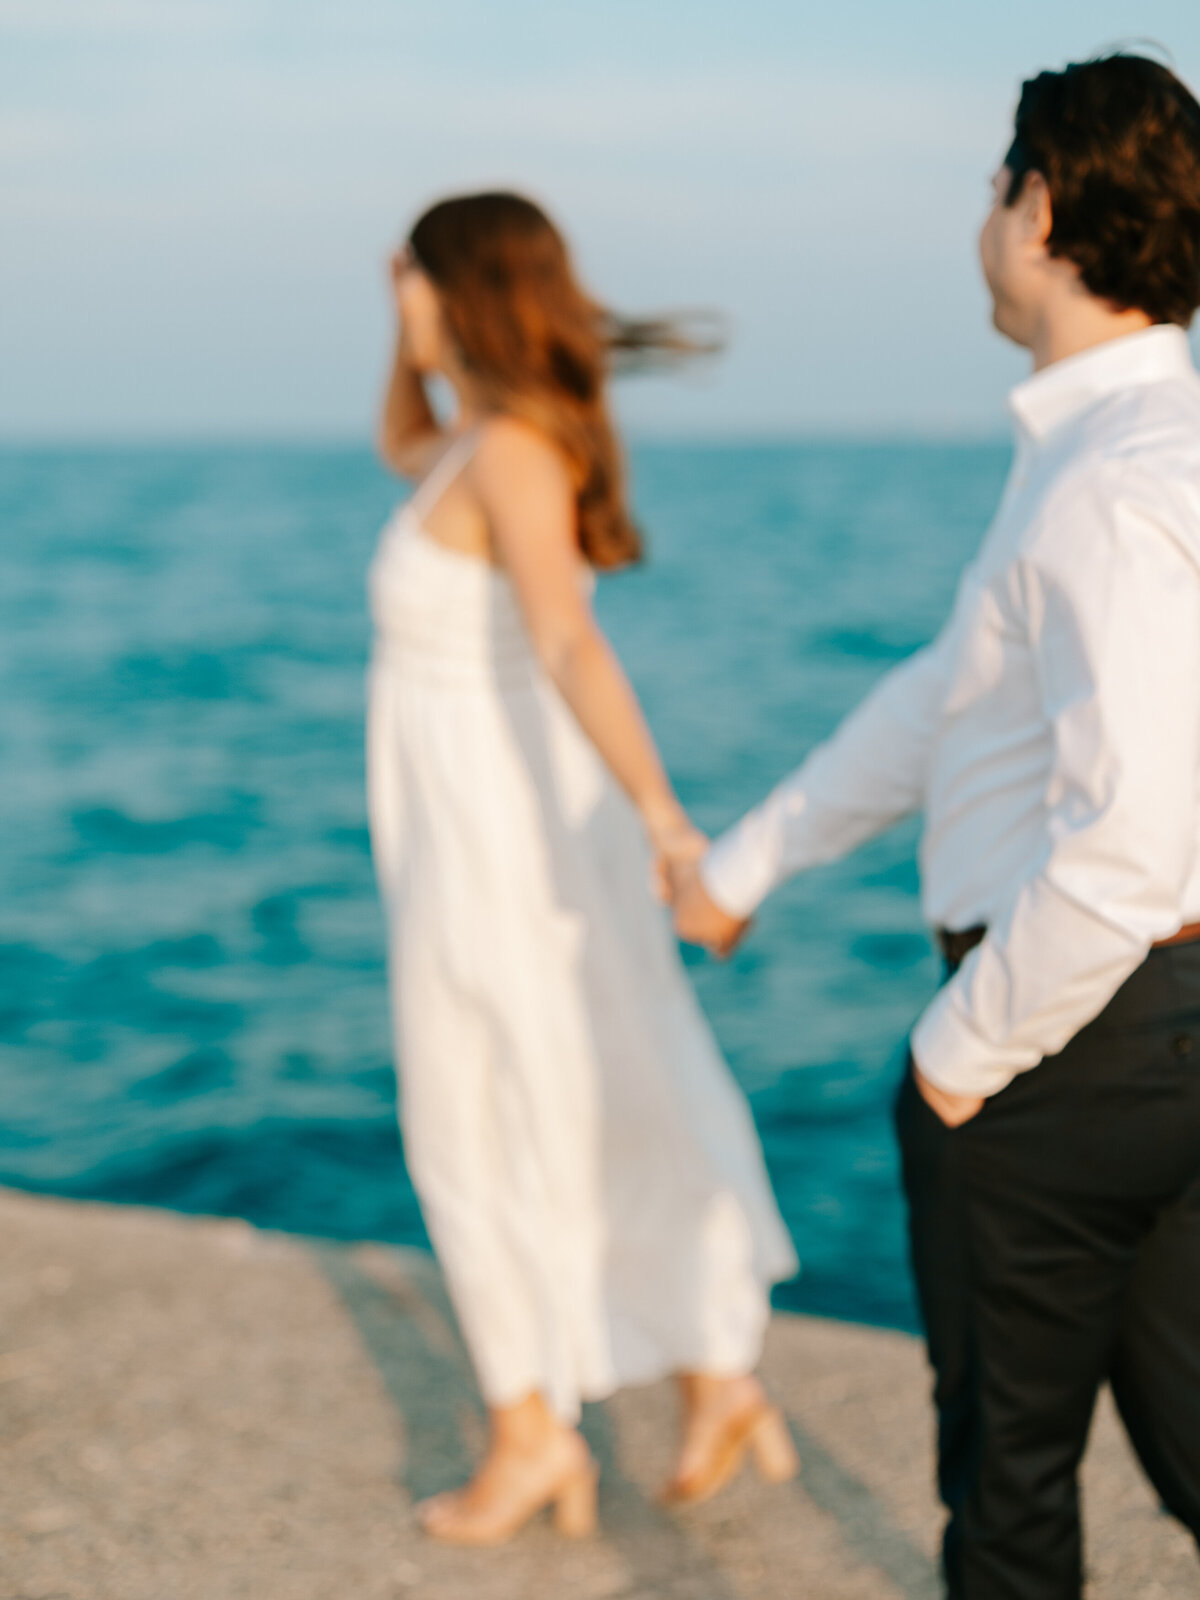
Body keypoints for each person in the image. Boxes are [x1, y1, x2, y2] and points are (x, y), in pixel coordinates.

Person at [667, 52, 1200, 1600]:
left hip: (1070, 1035)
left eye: (995, 188)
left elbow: (1135, 838)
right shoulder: (1106, 457)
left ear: (1039, 210)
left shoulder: (1116, 480)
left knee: (1010, 1499)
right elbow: (948, 699)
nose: (984, 219)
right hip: (1159, 1024)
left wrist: (957, 1057)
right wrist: (746, 862)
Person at [367, 191, 798, 1546]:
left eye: (415, 277)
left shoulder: (510, 452)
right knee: (589, 1080)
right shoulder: (467, 442)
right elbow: (396, 436)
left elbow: (566, 644)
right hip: (479, 830)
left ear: (461, 288)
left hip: (500, 845)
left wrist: (672, 822)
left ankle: (533, 1434)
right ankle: (711, 1375)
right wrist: (408, 323)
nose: (400, 295)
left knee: (479, 1111)